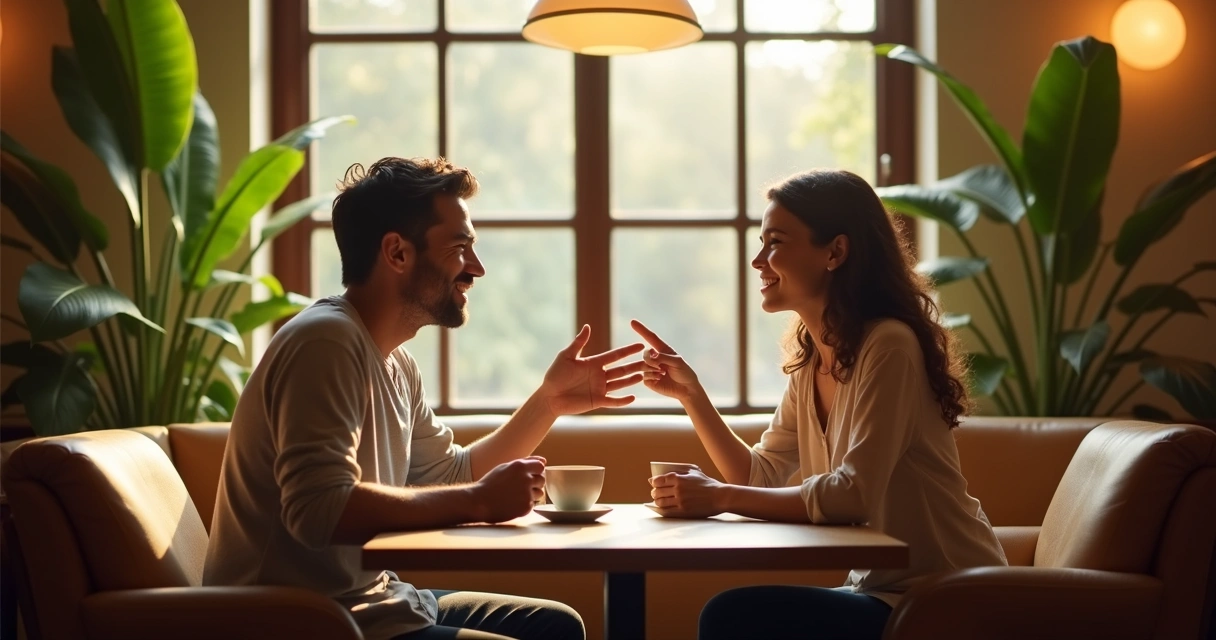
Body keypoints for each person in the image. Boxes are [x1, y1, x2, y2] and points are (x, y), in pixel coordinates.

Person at [203, 157, 648, 640]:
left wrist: (548, 403)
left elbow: (451, 477)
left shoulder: (395, 361)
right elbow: (319, 510)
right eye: (460, 247)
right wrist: (477, 502)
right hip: (306, 621)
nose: (476, 269)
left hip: (376, 602)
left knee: (555, 627)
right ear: (397, 252)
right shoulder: (325, 343)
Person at [632, 169, 1008, 639]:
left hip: (942, 599)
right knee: (734, 614)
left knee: (732, 616)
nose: (757, 260)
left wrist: (719, 498)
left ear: (835, 252)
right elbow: (759, 476)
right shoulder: (814, 358)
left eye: (775, 242)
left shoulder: (889, 345)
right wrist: (693, 396)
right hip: (877, 591)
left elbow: (853, 494)